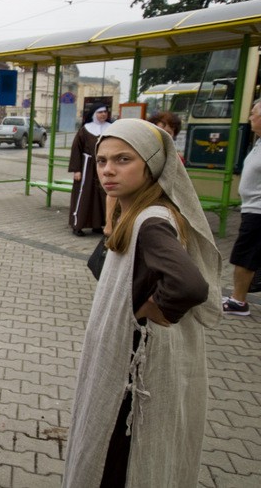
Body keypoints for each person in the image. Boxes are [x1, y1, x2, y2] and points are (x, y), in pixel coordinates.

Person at [64, 119, 222, 487]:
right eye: (102, 161)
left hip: (133, 373)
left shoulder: (151, 221)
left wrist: (156, 309)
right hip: (129, 366)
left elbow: (189, 285)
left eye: (123, 160)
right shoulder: (138, 210)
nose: (108, 170)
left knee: (118, 458)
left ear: (150, 164)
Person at [223, 98, 261, 316]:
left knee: (244, 255)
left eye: (253, 113)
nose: (250, 118)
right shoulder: (257, 142)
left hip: (258, 211)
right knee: (246, 254)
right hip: (251, 208)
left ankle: (238, 301)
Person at [69, 103, 110, 236]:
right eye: (100, 112)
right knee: (84, 194)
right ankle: (78, 225)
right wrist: (77, 170)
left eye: (105, 112)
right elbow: (76, 150)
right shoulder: (85, 130)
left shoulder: (111, 129)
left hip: (105, 166)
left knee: (102, 195)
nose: (103, 114)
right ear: (94, 114)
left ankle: (98, 224)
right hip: (87, 167)